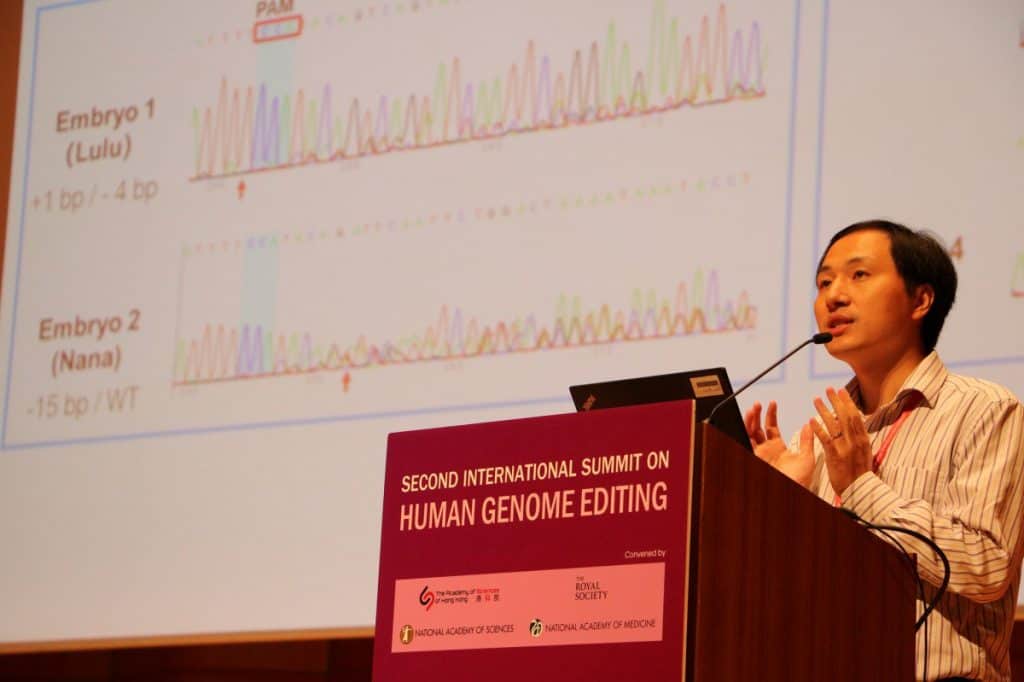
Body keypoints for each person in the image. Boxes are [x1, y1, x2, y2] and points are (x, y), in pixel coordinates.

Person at [744, 220, 1024, 681]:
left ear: (921, 300)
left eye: (859, 275)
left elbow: (986, 565)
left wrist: (861, 488)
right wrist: (777, 499)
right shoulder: (815, 438)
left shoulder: (985, 410)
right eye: (824, 282)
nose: (833, 296)